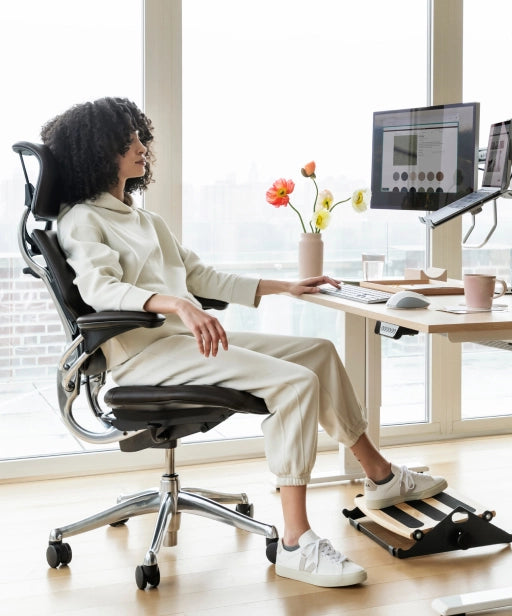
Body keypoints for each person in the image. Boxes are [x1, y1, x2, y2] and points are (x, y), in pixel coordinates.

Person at [43, 97, 447, 588]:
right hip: (144, 356)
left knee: (316, 352)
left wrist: (285, 287)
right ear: (97, 150)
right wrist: (177, 305)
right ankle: (296, 544)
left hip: (181, 345)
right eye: (127, 138)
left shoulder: (145, 220)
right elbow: (98, 288)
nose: (140, 145)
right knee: (295, 384)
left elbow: (200, 275)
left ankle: (381, 476)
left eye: (139, 135)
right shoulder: (82, 219)